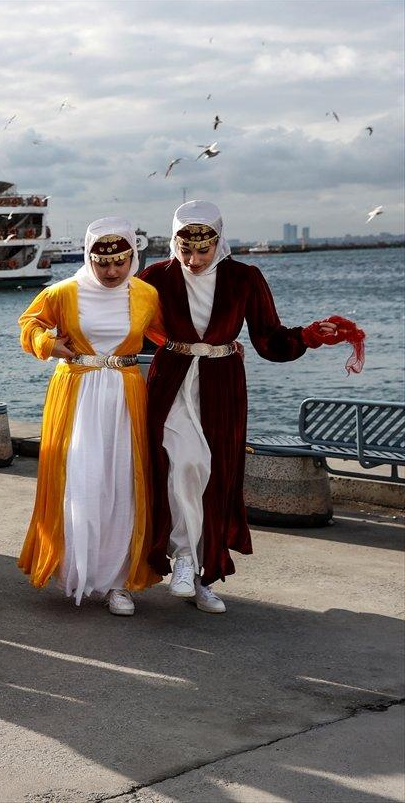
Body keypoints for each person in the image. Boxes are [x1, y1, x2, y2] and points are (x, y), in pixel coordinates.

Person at [138, 201, 343, 613]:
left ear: (218, 241)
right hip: (172, 382)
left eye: (202, 251)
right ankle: (182, 557)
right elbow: (128, 328)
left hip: (222, 386)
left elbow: (268, 339)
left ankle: (204, 576)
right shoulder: (154, 277)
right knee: (184, 464)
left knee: (215, 478)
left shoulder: (244, 278)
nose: (193, 261)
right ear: (174, 241)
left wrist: (310, 336)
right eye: (185, 251)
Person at [17, 218, 164, 616]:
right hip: (77, 393)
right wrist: (49, 343)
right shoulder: (64, 292)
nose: (112, 271)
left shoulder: (148, 295)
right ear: (89, 258)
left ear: (132, 257)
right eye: (103, 263)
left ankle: (119, 582)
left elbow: (173, 338)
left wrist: (219, 346)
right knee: (80, 482)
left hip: (125, 395)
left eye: (120, 262)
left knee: (122, 486)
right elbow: (29, 324)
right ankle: (77, 572)